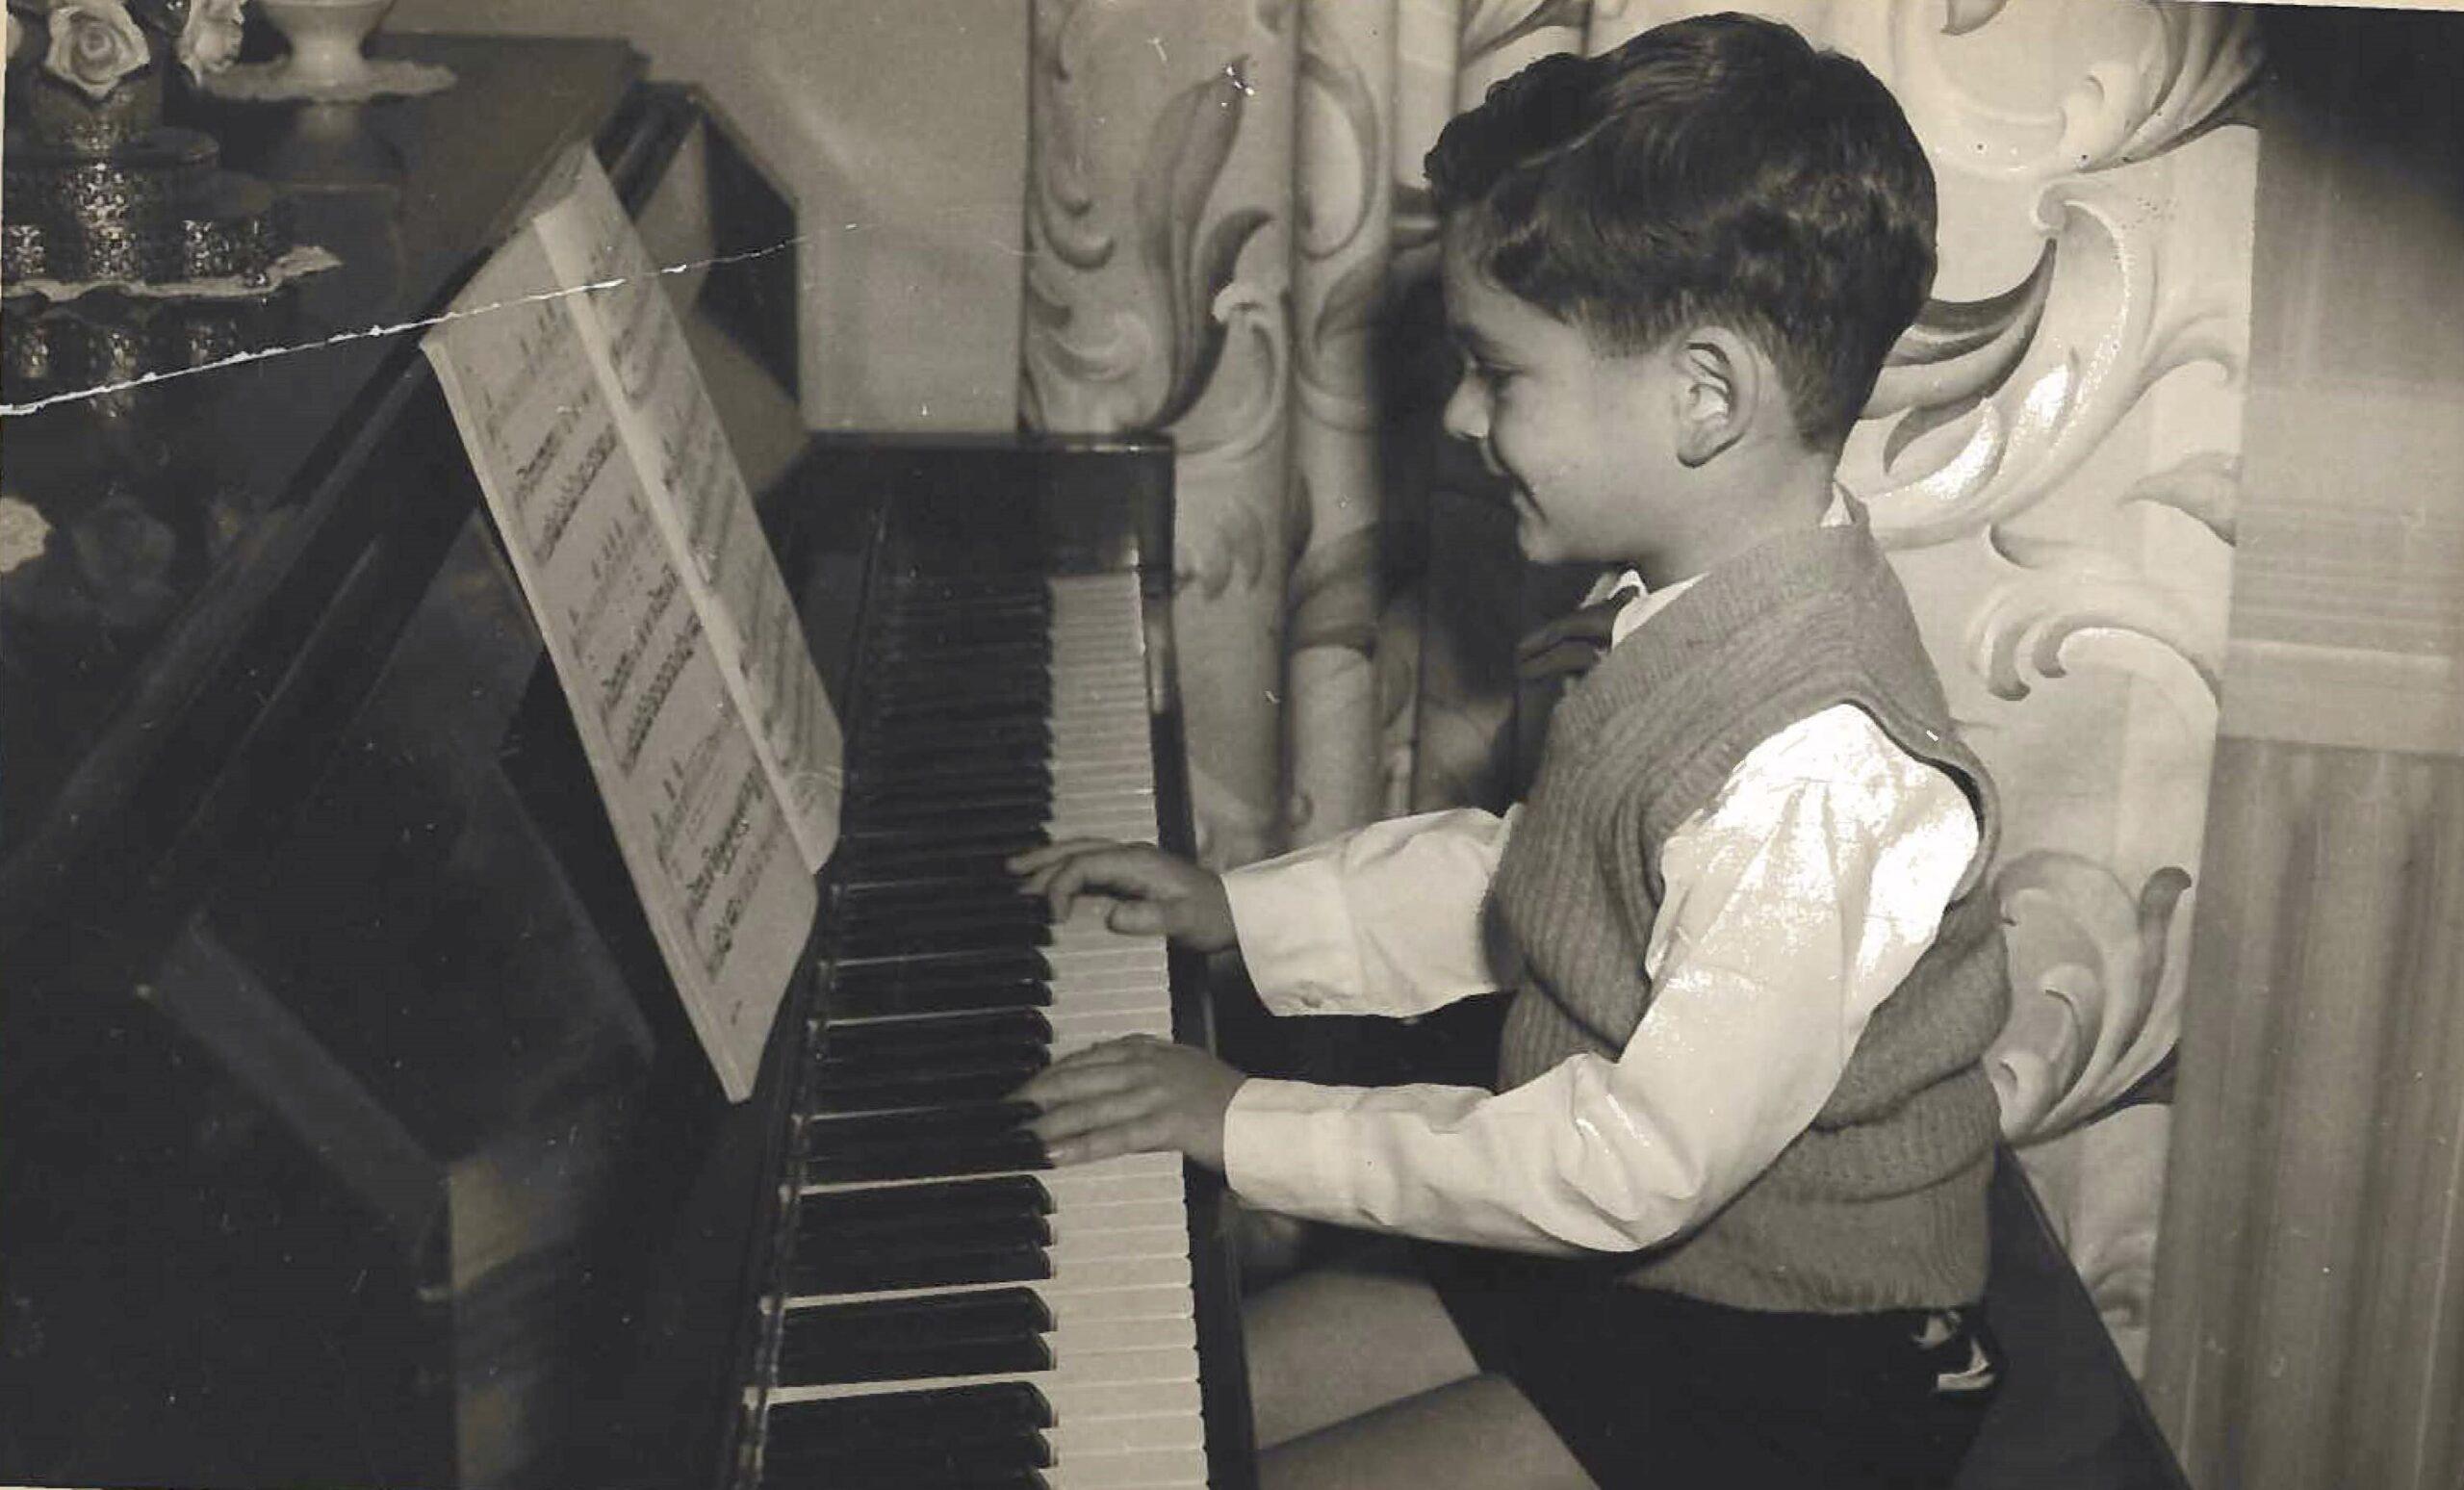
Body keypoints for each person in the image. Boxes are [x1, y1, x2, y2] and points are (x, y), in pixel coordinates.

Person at [1012, 14, 2008, 1488]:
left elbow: (1628, 1165)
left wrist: (1247, 1123)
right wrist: (1247, 915)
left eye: (1501, 373)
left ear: (1705, 398)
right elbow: (1548, 878)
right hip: (1639, 1260)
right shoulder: (1687, 612)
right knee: (1131, 1425)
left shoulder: (1824, 772)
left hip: (1795, 1356)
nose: (1466, 419)